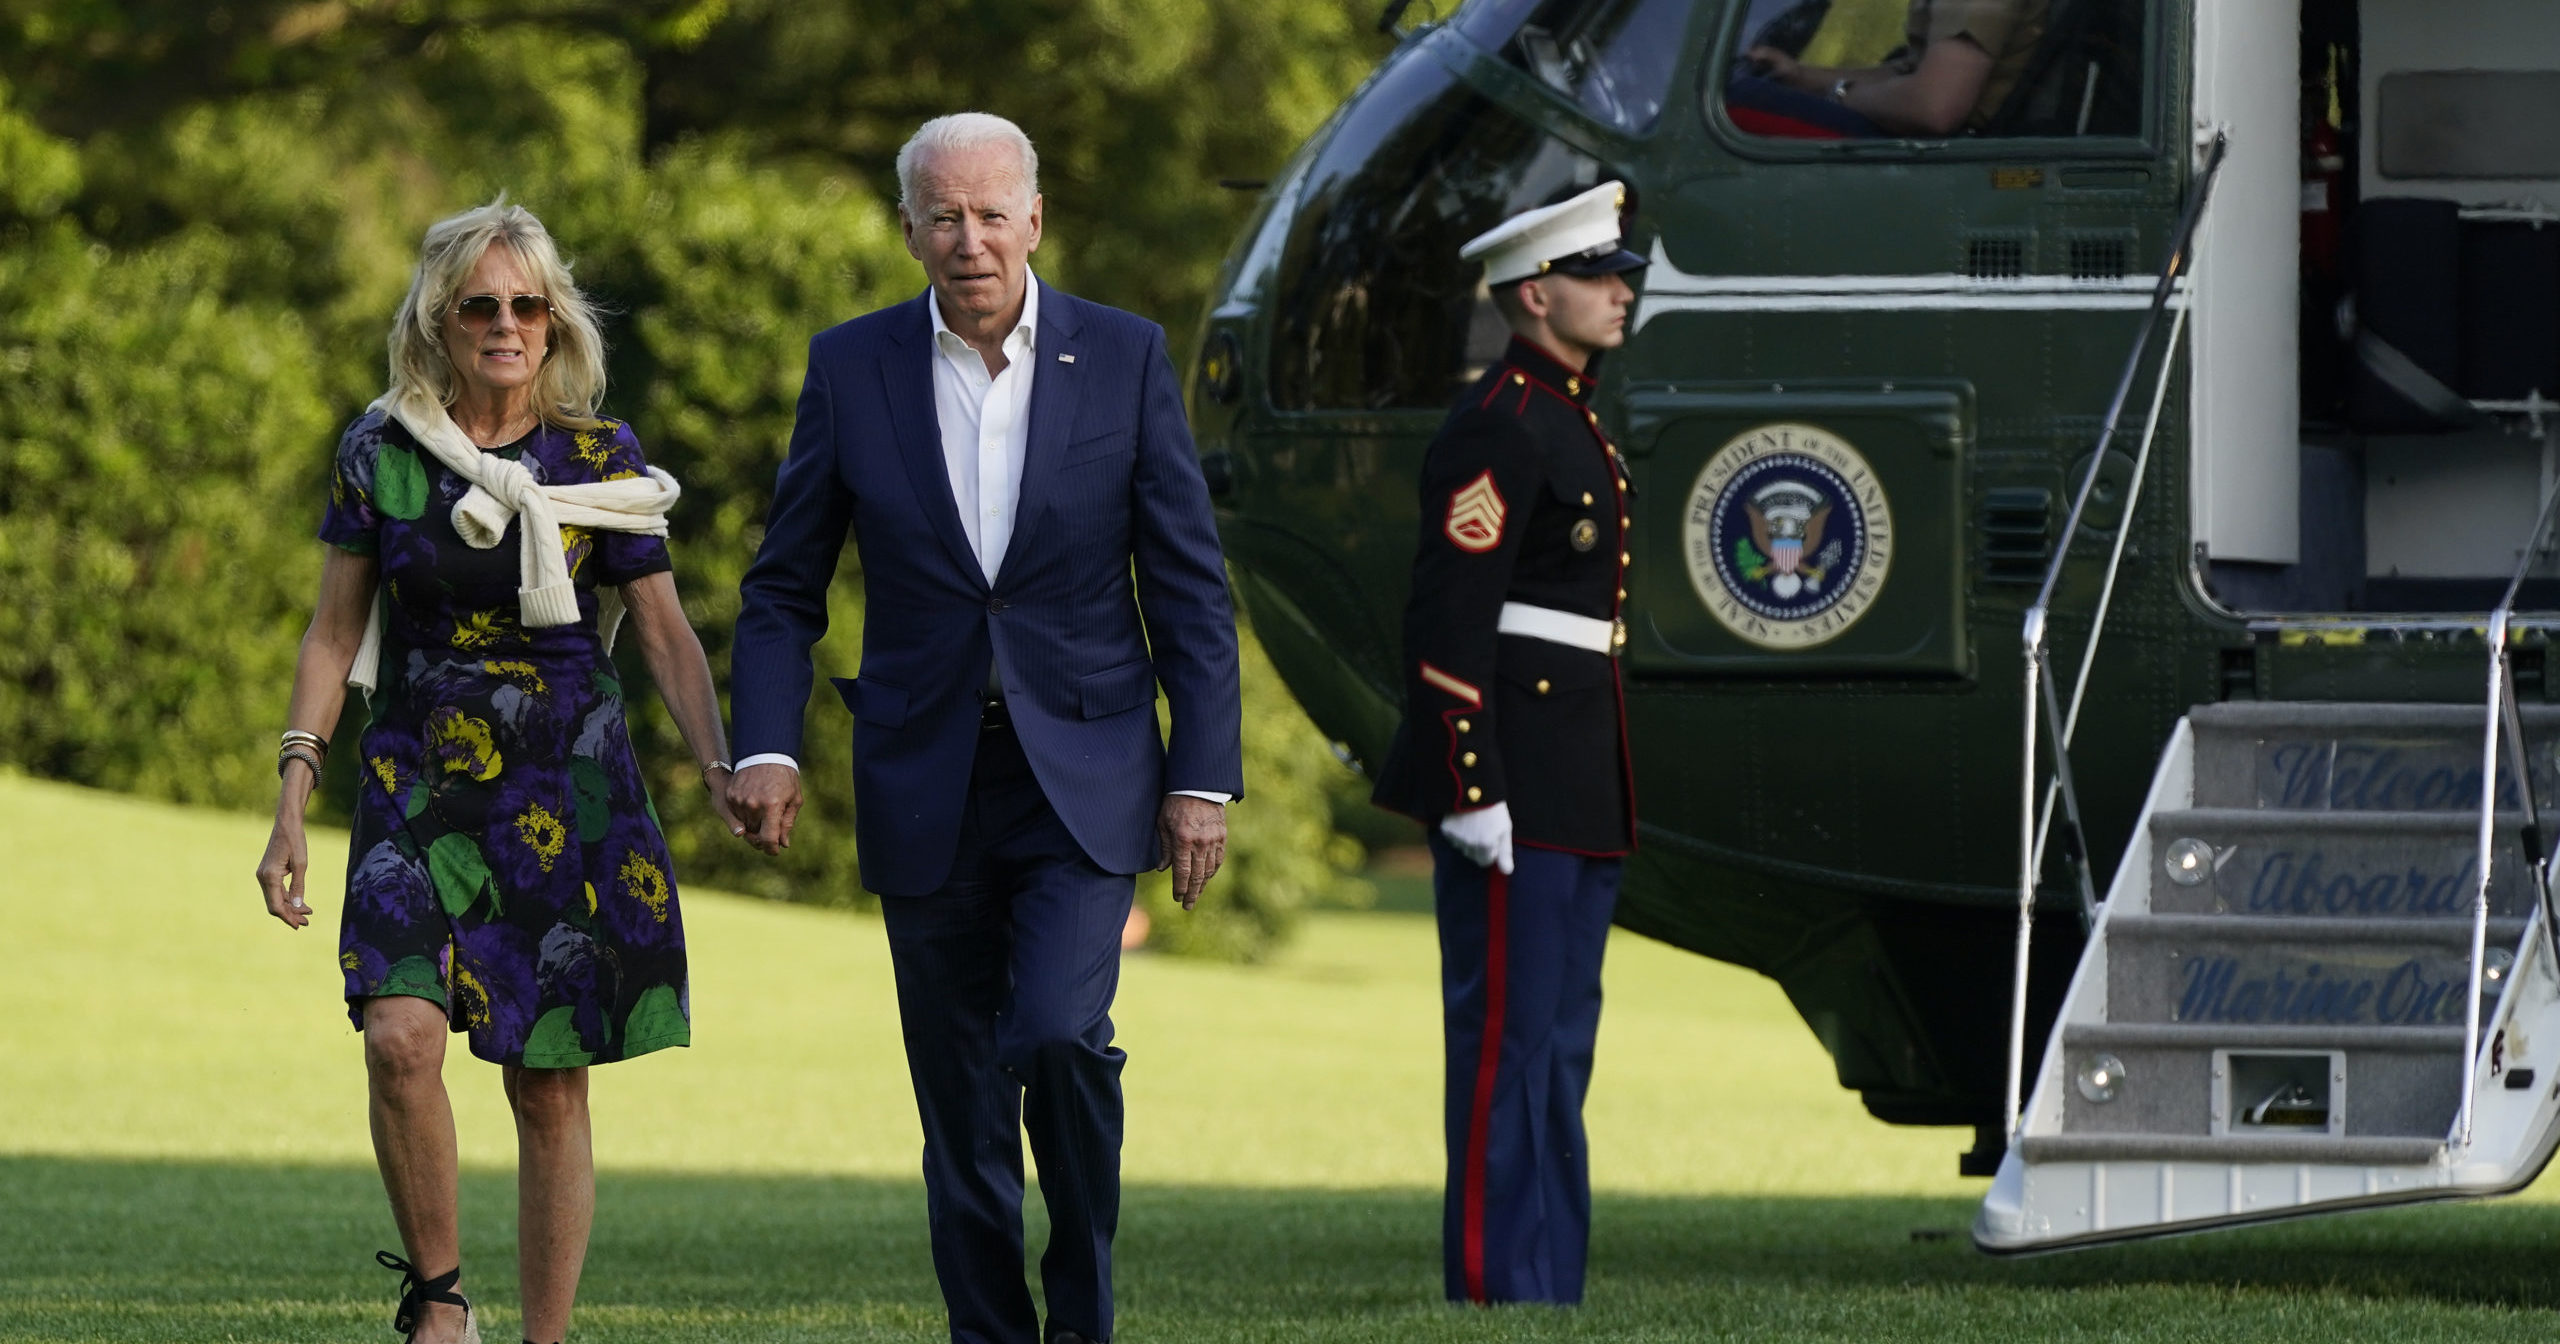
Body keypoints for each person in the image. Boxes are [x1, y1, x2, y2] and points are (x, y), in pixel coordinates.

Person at [725, 112, 1244, 1344]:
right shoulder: (851, 369)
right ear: (908, 230)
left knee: (1061, 1037)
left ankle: (1082, 1319)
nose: (971, 240)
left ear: (1035, 220)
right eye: (943, 217)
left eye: (992, 213)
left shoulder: (1122, 358)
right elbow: (783, 587)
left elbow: (1186, 588)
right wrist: (766, 744)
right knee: (957, 1098)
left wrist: (1202, 776)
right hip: (925, 774)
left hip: (1088, 770)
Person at [253, 200, 739, 1344]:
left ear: (554, 320)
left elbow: (664, 633)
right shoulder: (381, 450)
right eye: (482, 304)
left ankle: (545, 1340)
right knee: (397, 1037)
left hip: (563, 787)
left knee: (548, 1082)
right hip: (417, 775)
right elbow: (334, 634)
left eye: (528, 303)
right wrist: (291, 793)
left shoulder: (598, 460)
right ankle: (440, 1305)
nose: (507, 323)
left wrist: (721, 763)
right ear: (441, 318)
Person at [1370, 181, 1642, 1307]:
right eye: (1598, 275)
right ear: (1537, 293)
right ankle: (1496, 1281)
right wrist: (1471, 786)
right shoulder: (1502, 422)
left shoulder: (1569, 412)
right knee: (1505, 1044)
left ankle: (1550, 1283)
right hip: (1515, 782)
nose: (1621, 292)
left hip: (1575, 772)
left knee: (1560, 1045)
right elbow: (1448, 621)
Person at [1745, 0, 2050, 138]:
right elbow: (1911, 70)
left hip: (1945, 151)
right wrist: (1800, 76)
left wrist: (1840, 95)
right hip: (1938, 143)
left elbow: (1933, 108)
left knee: (1730, 100)